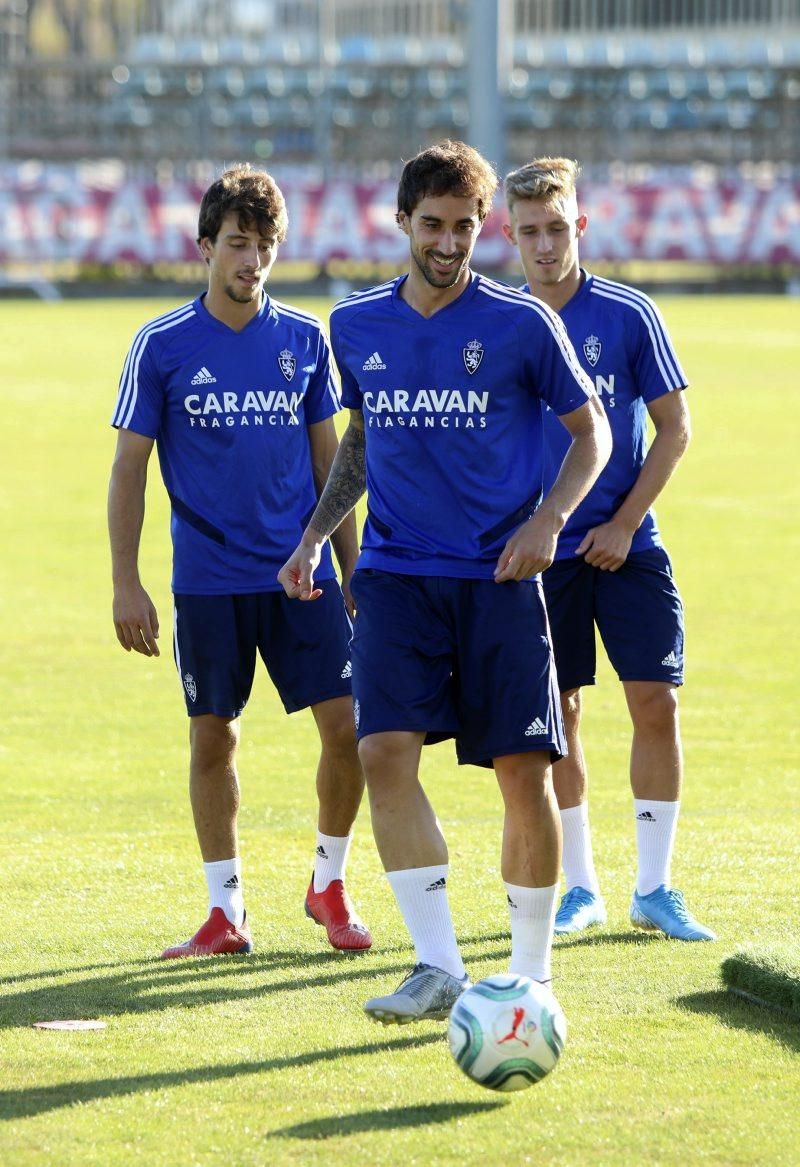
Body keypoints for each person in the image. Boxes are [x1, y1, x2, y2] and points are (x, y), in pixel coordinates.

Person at [278, 141, 611, 1023]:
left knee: (522, 769)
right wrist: (316, 536)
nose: (450, 242)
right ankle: (437, 965)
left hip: (498, 577)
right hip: (393, 574)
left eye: (466, 226)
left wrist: (549, 522)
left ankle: (531, 977)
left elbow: (593, 436)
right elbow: (363, 437)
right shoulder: (353, 326)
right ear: (403, 223)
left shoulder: (520, 324)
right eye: (434, 225)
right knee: (381, 751)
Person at [107, 164, 372, 958]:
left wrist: (354, 575)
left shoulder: (302, 339)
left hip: (302, 576)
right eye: (237, 244)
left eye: (264, 246)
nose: (251, 261)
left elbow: (335, 463)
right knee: (214, 736)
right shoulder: (160, 345)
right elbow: (129, 469)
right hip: (209, 582)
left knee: (351, 728)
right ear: (205, 247)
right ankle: (225, 912)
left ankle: (328, 883)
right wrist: (127, 581)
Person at [502, 157, 715, 941]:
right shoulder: (502, 322)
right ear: (510, 235)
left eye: (557, 228)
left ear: (580, 225)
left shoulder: (628, 313)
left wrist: (625, 522)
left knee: (655, 701)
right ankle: (580, 887)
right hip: (542, 551)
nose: (546, 245)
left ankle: (654, 887)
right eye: (530, 232)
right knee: (558, 716)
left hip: (630, 542)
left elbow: (676, 427)